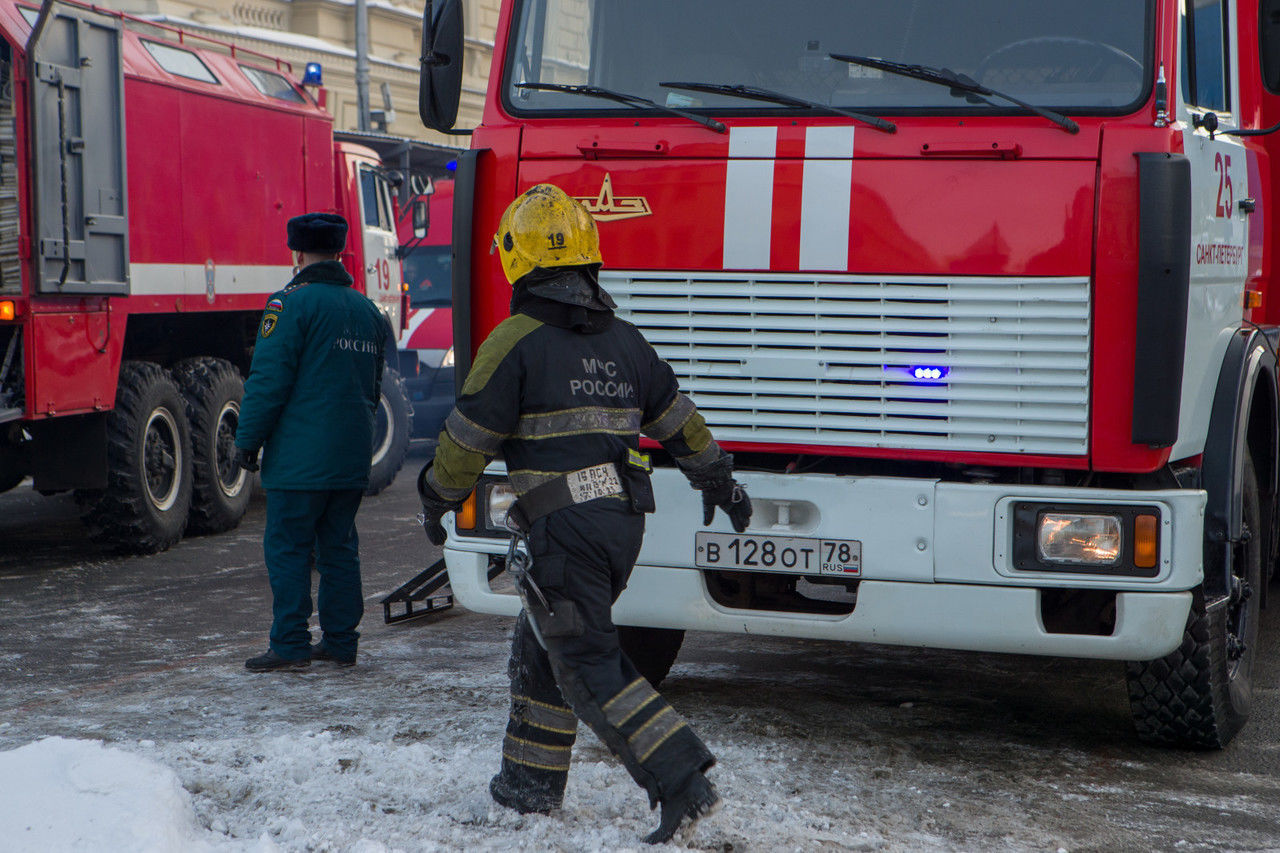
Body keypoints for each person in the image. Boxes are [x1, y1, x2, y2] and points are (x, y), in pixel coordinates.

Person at [417, 184, 752, 844]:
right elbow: (679, 419)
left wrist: (434, 495)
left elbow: (465, 443)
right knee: (542, 648)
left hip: (564, 531)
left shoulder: (514, 340)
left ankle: (684, 779)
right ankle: (528, 790)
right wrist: (720, 479)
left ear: (520, 260)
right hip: (619, 526)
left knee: (587, 663)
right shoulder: (627, 342)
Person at [235, 212, 387, 673]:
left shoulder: (289, 305)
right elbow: (374, 387)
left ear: (297, 253)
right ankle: (341, 642)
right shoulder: (367, 311)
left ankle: (290, 643)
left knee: (289, 547)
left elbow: (268, 381)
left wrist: (247, 441)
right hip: (350, 456)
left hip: (300, 460)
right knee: (339, 548)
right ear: (339, 251)